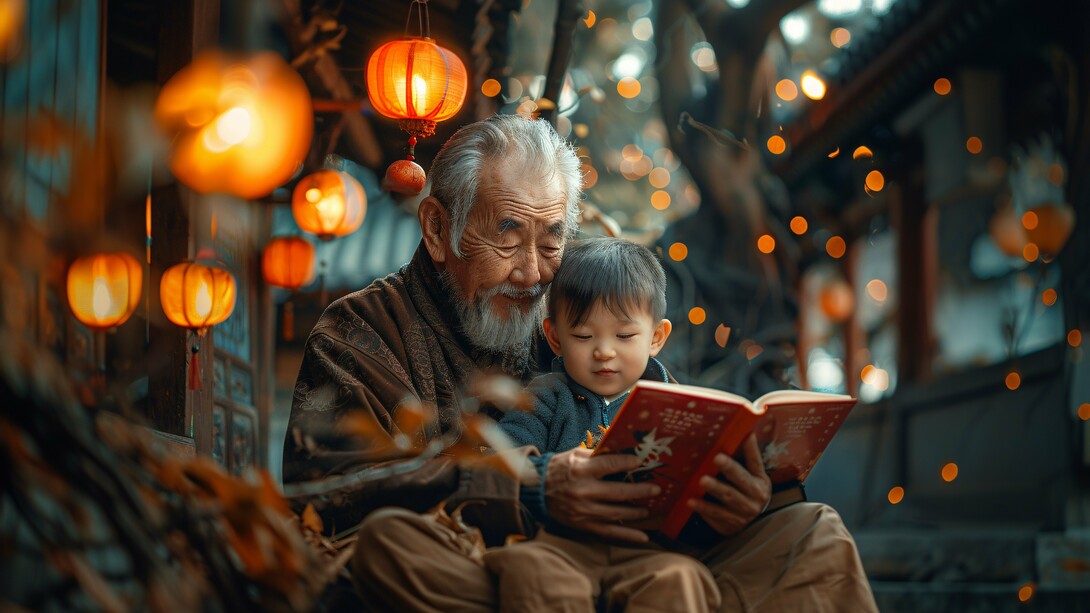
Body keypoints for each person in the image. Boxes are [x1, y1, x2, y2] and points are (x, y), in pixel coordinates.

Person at [283, 114, 878, 611]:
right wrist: (529, 489)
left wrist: (745, 500)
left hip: (646, 564)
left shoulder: (569, 314)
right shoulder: (359, 330)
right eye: (509, 238)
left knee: (813, 532)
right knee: (391, 548)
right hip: (497, 579)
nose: (533, 272)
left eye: (551, 241)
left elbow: (655, 418)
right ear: (439, 229)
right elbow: (330, 493)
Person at [486, 236, 722, 612]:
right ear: (555, 338)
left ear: (656, 337)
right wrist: (540, 476)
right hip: (560, 546)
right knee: (529, 568)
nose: (604, 351)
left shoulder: (678, 406)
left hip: (646, 550)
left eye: (625, 336)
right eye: (582, 336)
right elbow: (502, 459)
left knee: (681, 578)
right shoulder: (545, 396)